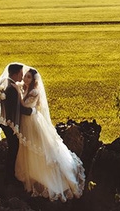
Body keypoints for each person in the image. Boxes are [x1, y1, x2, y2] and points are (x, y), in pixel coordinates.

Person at [15, 67, 85, 201]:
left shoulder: (34, 91)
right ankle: (32, 175)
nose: (25, 79)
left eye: (29, 77)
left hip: (32, 122)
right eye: (25, 76)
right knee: (28, 148)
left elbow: (25, 107)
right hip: (26, 122)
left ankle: (49, 180)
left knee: (38, 147)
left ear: (34, 80)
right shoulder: (25, 88)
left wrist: (18, 92)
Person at [0, 63, 35, 180]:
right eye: (21, 73)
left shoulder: (8, 83)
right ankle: (10, 176)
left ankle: (10, 174)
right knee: (13, 149)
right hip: (10, 124)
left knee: (13, 148)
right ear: (16, 73)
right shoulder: (12, 88)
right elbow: (18, 108)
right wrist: (33, 111)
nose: (22, 76)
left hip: (6, 122)